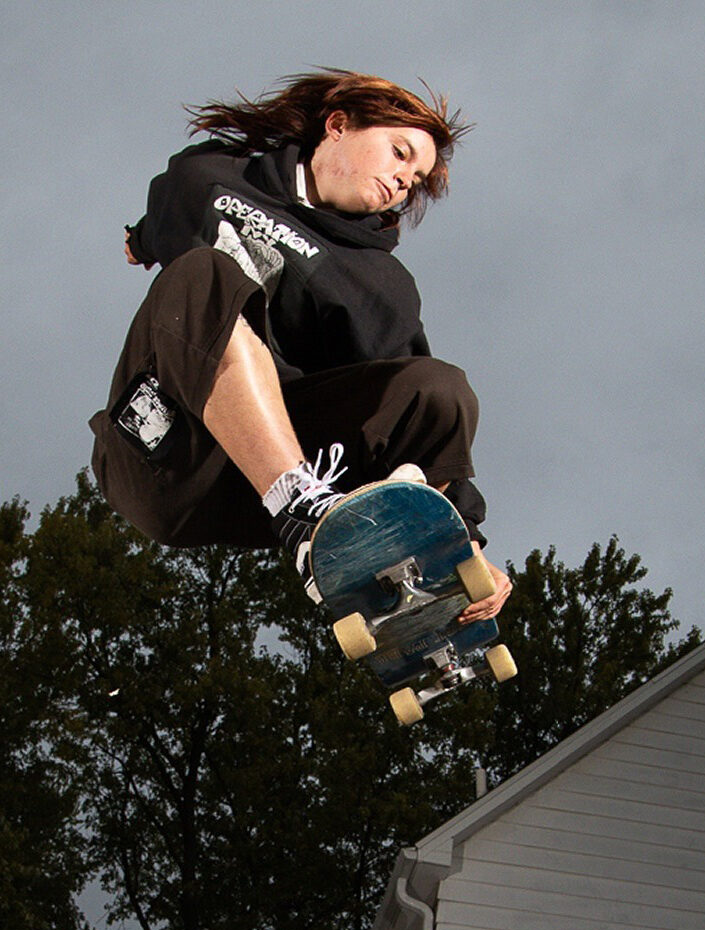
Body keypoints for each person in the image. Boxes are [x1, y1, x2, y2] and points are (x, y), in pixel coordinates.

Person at [88, 71, 511, 623]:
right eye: (399, 152)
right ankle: (299, 508)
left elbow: (419, 409)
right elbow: (164, 214)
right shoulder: (207, 176)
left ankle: (394, 561)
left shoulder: (380, 285)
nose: (404, 179)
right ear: (338, 126)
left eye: (416, 177)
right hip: (163, 450)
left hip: (252, 491)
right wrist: (143, 238)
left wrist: (468, 542)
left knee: (441, 390)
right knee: (203, 273)